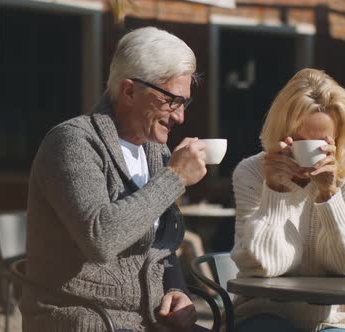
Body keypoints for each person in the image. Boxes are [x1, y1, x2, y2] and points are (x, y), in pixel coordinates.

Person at [21, 27, 209, 332]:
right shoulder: (73, 143)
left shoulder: (155, 150)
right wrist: (174, 178)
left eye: (184, 103)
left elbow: (162, 245)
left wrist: (177, 290)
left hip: (145, 321)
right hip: (83, 319)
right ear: (129, 91)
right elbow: (100, 237)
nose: (180, 117)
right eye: (171, 101)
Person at [230, 68, 345, 332]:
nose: (310, 152)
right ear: (281, 134)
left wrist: (330, 195)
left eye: (324, 142)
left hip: (335, 318)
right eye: (300, 141)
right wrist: (275, 191)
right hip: (264, 311)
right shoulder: (251, 172)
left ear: (338, 138)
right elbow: (263, 265)